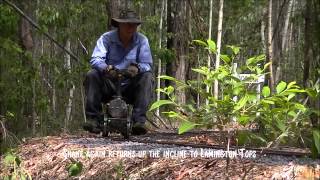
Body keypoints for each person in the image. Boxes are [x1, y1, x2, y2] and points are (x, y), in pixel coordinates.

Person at [83, 10, 153, 135]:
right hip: (109, 84)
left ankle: (138, 122)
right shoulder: (106, 38)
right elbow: (96, 59)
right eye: (127, 24)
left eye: (133, 24)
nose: (130, 27)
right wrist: (106, 68)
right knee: (92, 74)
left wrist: (137, 68)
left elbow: (147, 64)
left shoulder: (142, 41)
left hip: (130, 86)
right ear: (119, 25)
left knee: (147, 77)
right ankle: (94, 120)